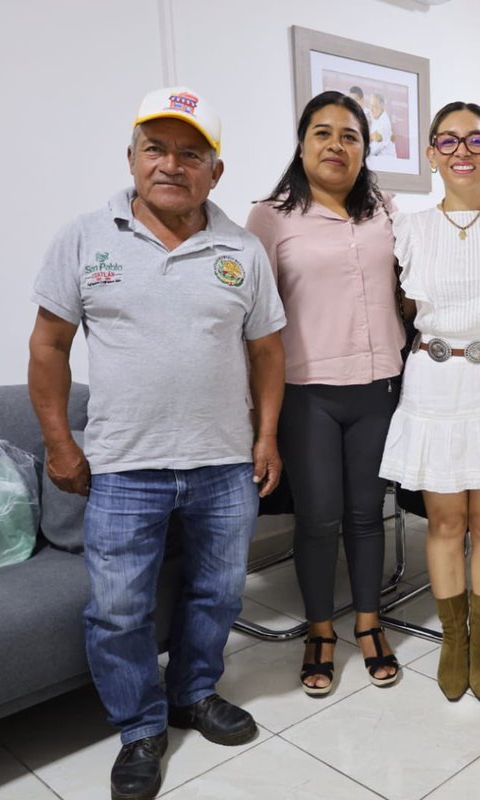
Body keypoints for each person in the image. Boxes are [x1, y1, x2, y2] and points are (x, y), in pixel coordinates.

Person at [28, 87, 286, 800]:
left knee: (219, 593)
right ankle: (141, 727)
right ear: (133, 157)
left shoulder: (241, 249)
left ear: (215, 171)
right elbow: (48, 346)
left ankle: (192, 693)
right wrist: (59, 443)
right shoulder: (85, 237)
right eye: (157, 149)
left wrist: (266, 436)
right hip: (122, 466)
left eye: (190, 153)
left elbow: (268, 353)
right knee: (117, 608)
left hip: (223, 463)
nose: (172, 165)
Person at [379, 101, 480, 702]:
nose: (462, 152)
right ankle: (455, 636)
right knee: (446, 521)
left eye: (476, 141)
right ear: (430, 155)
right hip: (435, 381)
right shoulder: (407, 229)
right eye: (447, 142)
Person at [245, 91, 405, 697]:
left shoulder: (386, 210)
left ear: (365, 149)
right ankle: (320, 631)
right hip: (307, 391)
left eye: (350, 136)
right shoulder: (270, 216)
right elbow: (253, 320)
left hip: (378, 385)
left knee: (368, 515)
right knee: (317, 519)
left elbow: (408, 289)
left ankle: (368, 622)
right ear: (303, 142)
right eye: (323, 133)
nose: (336, 145)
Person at [368, 93, 396, 158]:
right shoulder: (376, 115)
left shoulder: (384, 124)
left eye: (375, 106)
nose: (371, 109)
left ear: (382, 106)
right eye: (371, 106)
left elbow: (374, 149)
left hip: (386, 163)